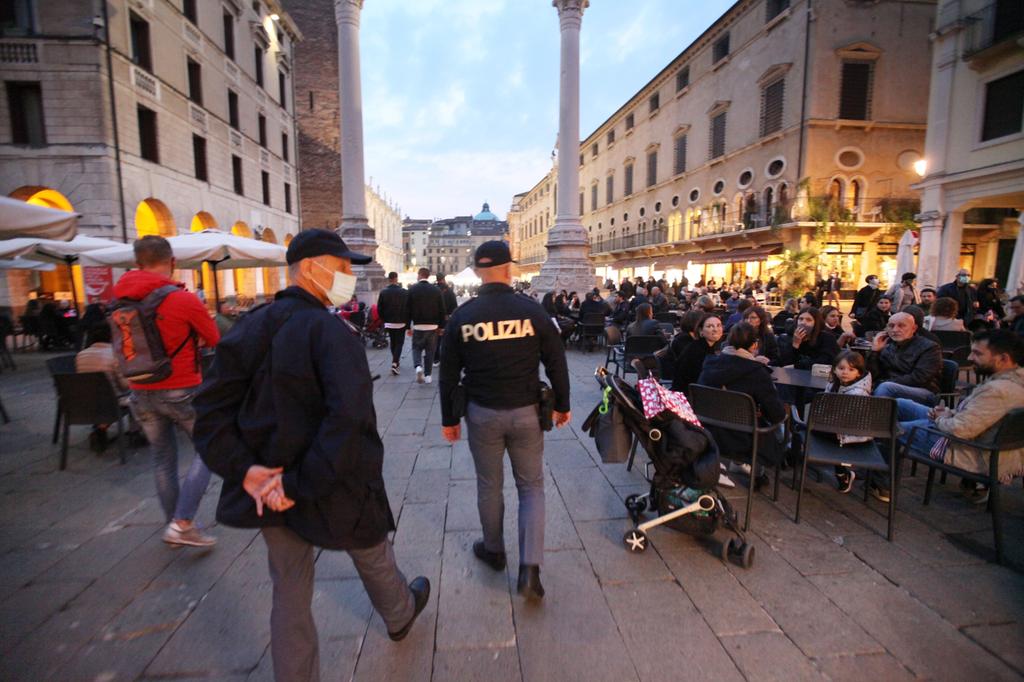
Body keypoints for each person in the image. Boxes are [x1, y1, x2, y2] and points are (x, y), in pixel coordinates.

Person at [193, 230, 429, 678]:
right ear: (310, 268)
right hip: (332, 482)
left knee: (290, 591)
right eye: (341, 268)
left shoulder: (249, 326)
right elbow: (349, 419)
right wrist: (294, 484)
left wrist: (250, 474)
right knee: (370, 549)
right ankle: (399, 615)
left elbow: (209, 411)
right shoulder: (331, 332)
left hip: (270, 487)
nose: (347, 278)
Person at [439, 240, 570, 600]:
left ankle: (494, 550)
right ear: (509, 269)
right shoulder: (531, 311)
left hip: (482, 413)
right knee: (531, 487)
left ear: (479, 272)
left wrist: (449, 418)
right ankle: (530, 570)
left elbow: (448, 373)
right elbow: (556, 359)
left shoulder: (463, 317)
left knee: (489, 485)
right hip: (527, 411)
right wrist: (563, 403)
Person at [112, 235, 220, 547]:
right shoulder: (183, 300)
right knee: (209, 449)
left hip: (139, 389)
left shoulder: (119, 302)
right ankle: (183, 522)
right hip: (181, 388)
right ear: (172, 263)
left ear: (137, 264)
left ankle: (175, 524)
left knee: (162, 459)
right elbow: (214, 338)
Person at [887, 330, 1024, 504]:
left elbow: (960, 430)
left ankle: (880, 481)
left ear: (1003, 358)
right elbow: (980, 417)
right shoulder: (1014, 380)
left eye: (977, 353)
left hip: (971, 453)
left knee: (889, 427)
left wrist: (940, 419)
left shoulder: (998, 391)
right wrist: (948, 414)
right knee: (900, 404)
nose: (970, 357)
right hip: (985, 443)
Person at [697, 322, 787, 483]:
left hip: (709, 432)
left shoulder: (709, 363)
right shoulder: (757, 372)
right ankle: (760, 473)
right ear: (754, 345)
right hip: (743, 440)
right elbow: (777, 415)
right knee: (782, 425)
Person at [76, 320, 131, 452]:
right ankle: (136, 431)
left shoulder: (80, 355)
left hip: (86, 401)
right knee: (137, 394)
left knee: (104, 396)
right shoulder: (115, 355)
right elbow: (124, 385)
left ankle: (101, 427)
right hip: (112, 402)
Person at [823, 350, 873, 493]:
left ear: (858, 373)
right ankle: (841, 472)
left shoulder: (859, 392)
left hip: (853, 433)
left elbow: (848, 417)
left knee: (807, 430)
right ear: (834, 369)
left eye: (851, 369)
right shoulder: (834, 384)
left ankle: (842, 473)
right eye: (841, 368)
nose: (845, 372)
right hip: (836, 427)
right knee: (807, 429)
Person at [867, 311, 943, 406]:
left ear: (913, 328)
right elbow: (872, 375)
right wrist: (875, 352)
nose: (895, 330)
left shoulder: (929, 347)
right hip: (889, 387)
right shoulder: (888, 346)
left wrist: (885, 382)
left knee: (886, 387)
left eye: (901, 326)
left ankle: (875, 419)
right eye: (891, 326)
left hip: (923, 391)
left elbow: (919, 378)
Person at [406, 267, 447, 384]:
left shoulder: (412, 289)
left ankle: (418, 366)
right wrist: (442, 327)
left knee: (416, 348)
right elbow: (442, 310)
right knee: (430, 351)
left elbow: (407, 309)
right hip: (433, 326)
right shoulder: (436, 290)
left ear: (419, 275)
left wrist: (408, 327)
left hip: (418, 325)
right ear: (428, 276)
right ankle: (428, 376)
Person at [672, 314, 723, 394]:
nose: (715, 329)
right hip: (689, 397)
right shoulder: (697, 350)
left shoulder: (705, 346)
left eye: (719, 325)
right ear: (701, 331)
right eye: (710, 326)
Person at [377, 271, 409, 375]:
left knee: (393, 342)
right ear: (396, 278)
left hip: (389, 322)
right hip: (401, 322)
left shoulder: (383, 292)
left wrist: (384, 319)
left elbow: (379, 308)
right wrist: (408, 322)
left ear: (389, 279)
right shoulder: (404, 292)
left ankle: (396, 361)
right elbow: (408, 308)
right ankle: (395, 363)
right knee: (399, 343)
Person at [434, 274, 460, 366]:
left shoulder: (433, 289)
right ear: (444, 279)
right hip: (446, 317)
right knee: (446, 338)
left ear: (437, 279)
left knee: (436, 339)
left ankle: (436, 359)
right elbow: (454, 305)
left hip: (435, 318)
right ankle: (446, 358)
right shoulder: (449, 290)